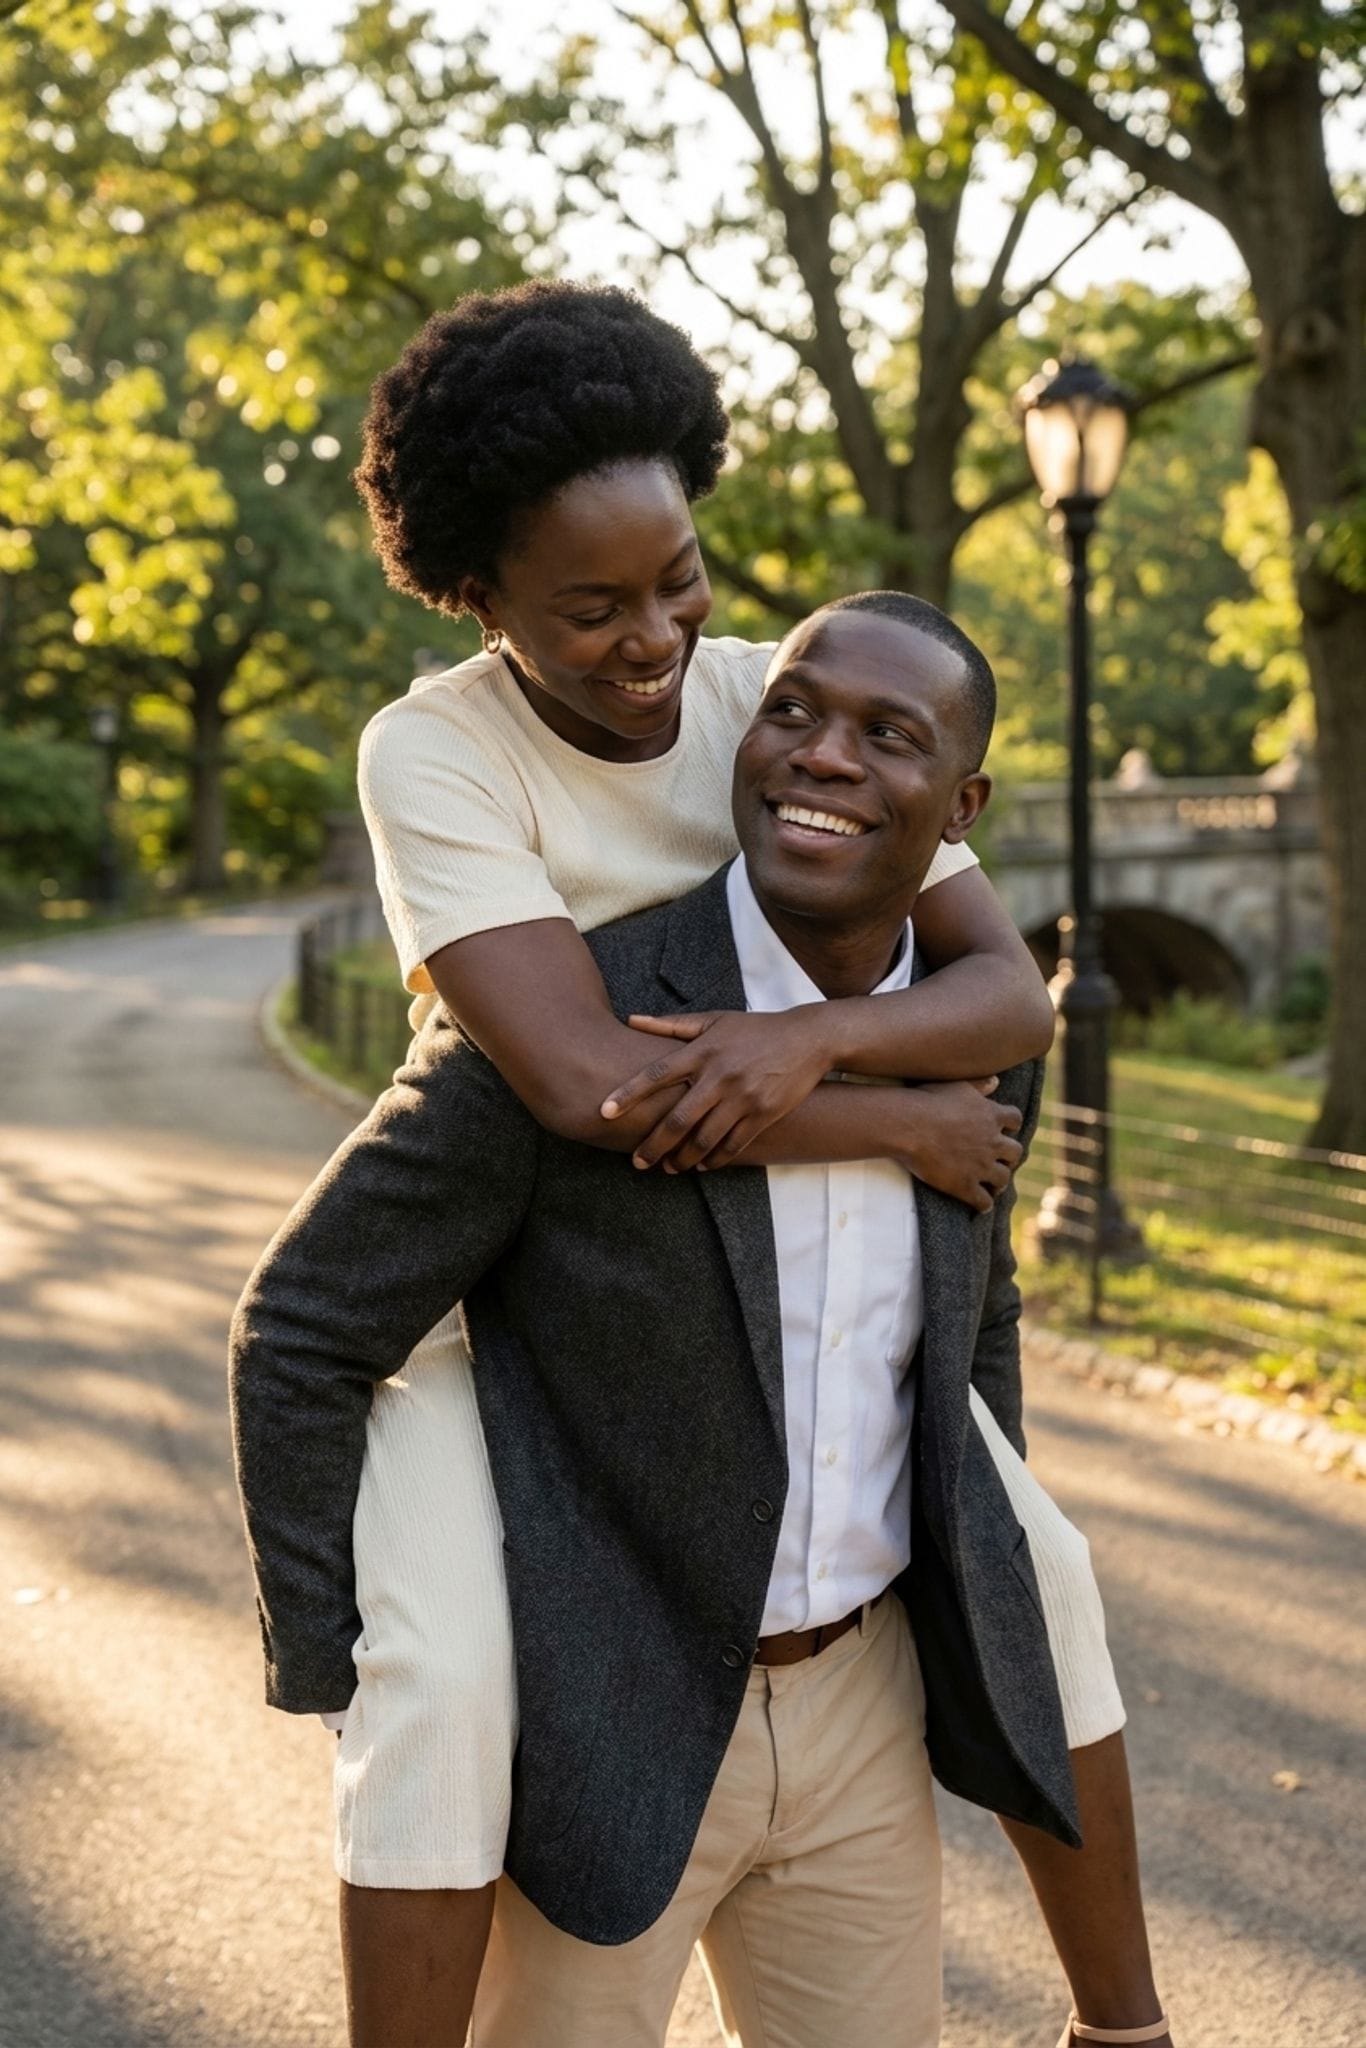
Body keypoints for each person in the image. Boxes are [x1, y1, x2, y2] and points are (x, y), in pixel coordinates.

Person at [250, 280, 1160, 2046]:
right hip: (506, 1236)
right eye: (588, 607)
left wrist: (820, 1038)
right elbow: (586, 1079)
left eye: (678, 577)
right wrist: (898, 1120)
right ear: (481, 596)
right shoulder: (435, 750)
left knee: (1038, 1565)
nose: (657, 638)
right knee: (440, 1690)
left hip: (736, 1180)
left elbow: (994, 988)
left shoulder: (778, 695)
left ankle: (1122, 2018)